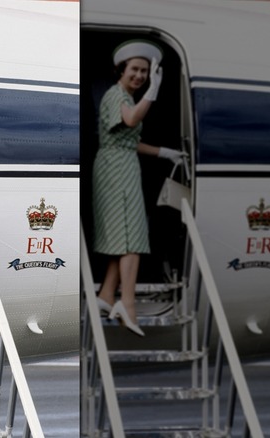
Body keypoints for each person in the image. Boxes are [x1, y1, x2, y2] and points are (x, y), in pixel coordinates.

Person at [92, 40, 186, 337]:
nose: (140, 75)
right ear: (122, 69)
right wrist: (153, 92)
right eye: (135, 69)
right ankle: (127, 304)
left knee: (124, 235)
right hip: (117, 170)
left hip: (121, 164)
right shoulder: (117, 95)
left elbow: (129, 140)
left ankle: (107, 296)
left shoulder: (124, 96)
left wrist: (165, 152)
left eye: (145, 71)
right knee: (132, 238)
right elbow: (131, 120)